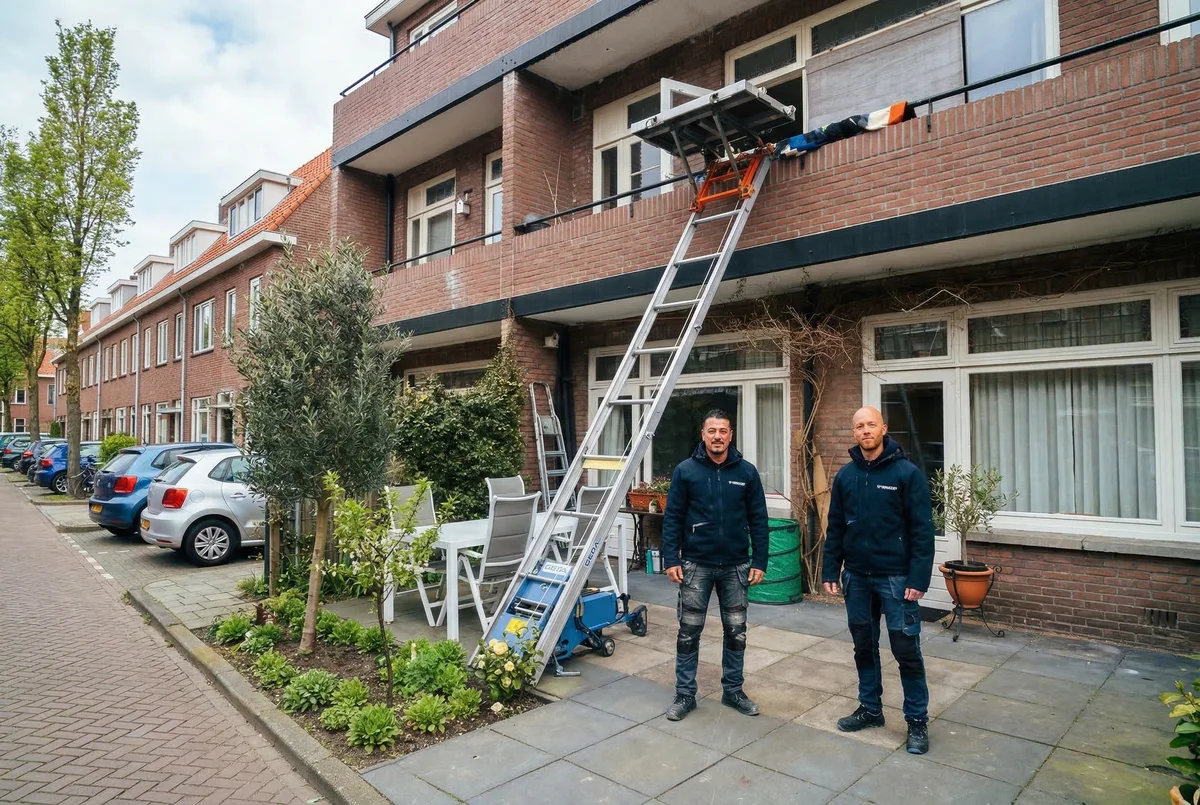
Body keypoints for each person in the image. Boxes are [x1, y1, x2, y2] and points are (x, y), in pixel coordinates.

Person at [822, 406, 935, 755]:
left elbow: (922, 530)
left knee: (906, 651)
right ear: (853, 433)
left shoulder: (907, 474)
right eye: (859, 426)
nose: (865, 430)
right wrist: (830, 570)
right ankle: (870, 709)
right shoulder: (845, 476)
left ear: (883, 428)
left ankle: (917, 723)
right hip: (856, 576)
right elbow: (836, 526)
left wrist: (918, 577)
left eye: (871, 424)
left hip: (897, 579)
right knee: (863, 647)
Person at [661, 409, 769, 721]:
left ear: (731, 435)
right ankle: (685, 694)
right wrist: (671, 558)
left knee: (736, 632)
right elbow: (673, 519)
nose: (717, 436)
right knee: (688, 632)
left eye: (723, 431)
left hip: (736, 566)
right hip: (696, 565)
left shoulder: (746, 472)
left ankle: (733, 690)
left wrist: (759, 559)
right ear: (703, 434)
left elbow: (759, 519)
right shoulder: (686, 471)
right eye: (712, 431)